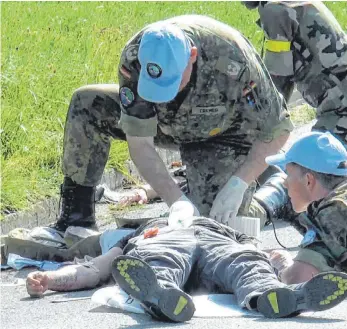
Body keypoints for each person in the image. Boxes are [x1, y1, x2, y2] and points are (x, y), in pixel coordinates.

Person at [53, 14, 293, 231]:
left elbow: (278, 128)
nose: (165, 94)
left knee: (217, 222)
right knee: (88, 102)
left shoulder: (233, 57)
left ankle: (274, 194)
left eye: (173, 83)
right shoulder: (135, 57)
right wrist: (175, 200)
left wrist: (238, 183)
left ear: (192, 56)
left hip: (224, 134)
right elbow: (140, 143)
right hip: (165, 123)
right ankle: (76, 217)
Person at [27, 216, 347, 322]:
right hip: (167, 242)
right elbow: (95, 269)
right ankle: (159, 292)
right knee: (162, 263)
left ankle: (279, 295)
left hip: (216, 241)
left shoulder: (219, 226)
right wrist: (50, 279)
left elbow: (266, 254)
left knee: (246, 263)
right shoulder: (145, 231)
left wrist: (285, 267)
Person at [243, 1, 347, 146]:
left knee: (314, 162)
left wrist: (263, 125)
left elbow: (278, 77)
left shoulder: (273, 10)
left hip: (339, 108)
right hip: (340, 95)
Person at [247, 131, 347, 283]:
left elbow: (299, 280)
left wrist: (282, 265)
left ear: (308, 180)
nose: (285, 183)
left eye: (288, 174)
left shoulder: (333, 211)